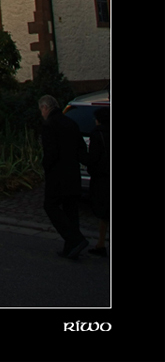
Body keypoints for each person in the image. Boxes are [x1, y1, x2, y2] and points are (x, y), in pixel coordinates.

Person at [38, 95, 89, 259]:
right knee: (71, 210)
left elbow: (50, 153)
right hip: (72, 173)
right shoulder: (71, 123)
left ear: (45, 108)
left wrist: (45, 167)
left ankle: (74, 239)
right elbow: (81, 150)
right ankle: (71, 247)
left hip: (57, 175)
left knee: (51, 206)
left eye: (41, 110)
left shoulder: (49, 125)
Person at [85, 107, 109, 256]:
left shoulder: (97, 134)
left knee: (103, 212)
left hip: (103, 177)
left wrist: (92, 170)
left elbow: (93, 158)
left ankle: (101, 243)